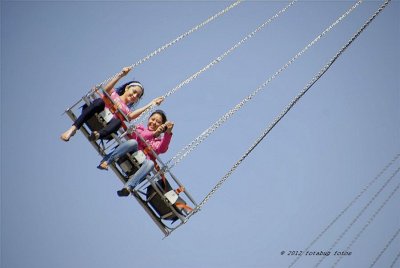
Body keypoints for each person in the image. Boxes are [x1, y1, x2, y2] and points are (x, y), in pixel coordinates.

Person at [60, 66, 164, 142]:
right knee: (99, 102)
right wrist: (121, 75)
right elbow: (106, 89)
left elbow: (131, 116)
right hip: (93, 114)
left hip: (104, 128)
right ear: (127, 88)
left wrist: (152, 103)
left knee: (119, 122)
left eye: (137, 96)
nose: (134, 95)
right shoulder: (113, 93)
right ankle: (72, 129)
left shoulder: (127, 111)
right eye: (134, 92)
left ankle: (97, 135)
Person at [97, 110, 174, 197]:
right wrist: (153, 134)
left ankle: (128, 188)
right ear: (149, 119)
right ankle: (106, 162)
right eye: (153, 119)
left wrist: (168, 133)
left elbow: (162, 148)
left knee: (151, 163)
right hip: (129, 152)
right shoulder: (140, 128)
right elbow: (138, 137)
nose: (154, 122)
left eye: (158, 122)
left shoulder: (158, 141)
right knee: (133, 142)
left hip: (141, 162)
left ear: (161, 126)